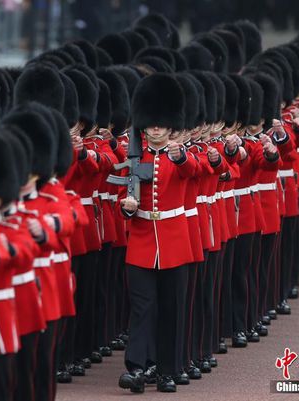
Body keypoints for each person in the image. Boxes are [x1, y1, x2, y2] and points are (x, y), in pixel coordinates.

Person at [117, 73, 199, 394]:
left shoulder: (181, 156)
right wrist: (126, 206)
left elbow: (195, 170)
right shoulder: (134, 156)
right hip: (140, 242)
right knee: (142, 308)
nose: (155, 129)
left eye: (161, 124)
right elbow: (123, 202)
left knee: (172, 309)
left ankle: (169, 368)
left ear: (171, 125)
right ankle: (137, 367)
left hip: (174, 241)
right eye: (151, 123)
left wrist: (180, 156)